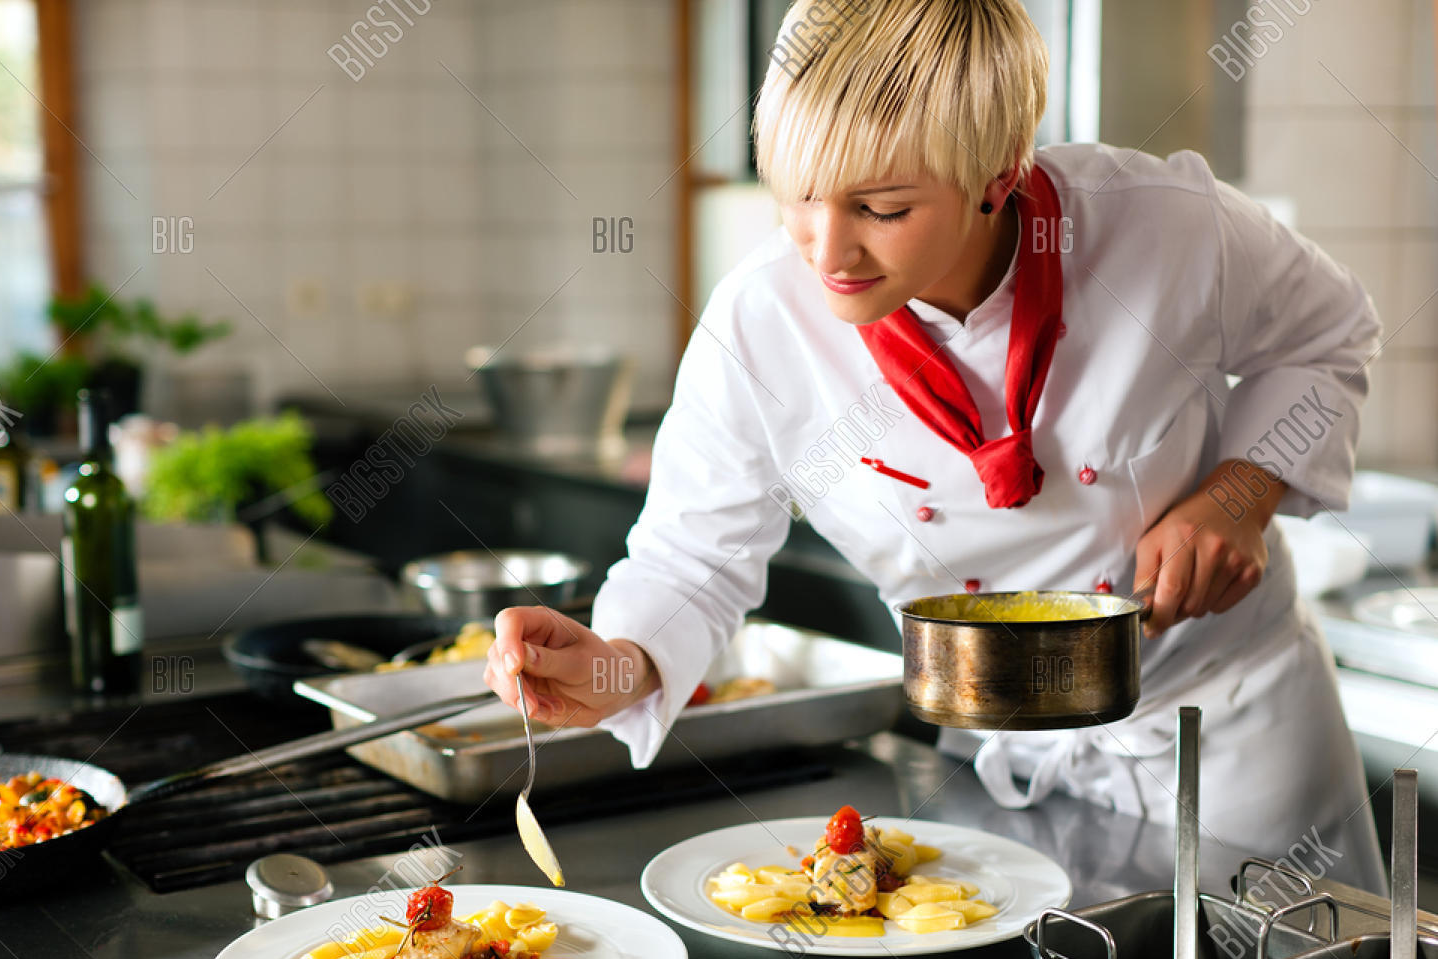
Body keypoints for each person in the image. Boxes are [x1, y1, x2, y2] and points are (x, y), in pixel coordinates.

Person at [484, 0, 1387, 892]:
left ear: (997, 175)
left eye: (880, 207)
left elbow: (1331, 334)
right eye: (796, 195)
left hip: (1229, 724)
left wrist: (1240, 492)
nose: (827, 250)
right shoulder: (761, 323)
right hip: (998, 744)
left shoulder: (1165, 226)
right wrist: (612, 667)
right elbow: (694, 559)